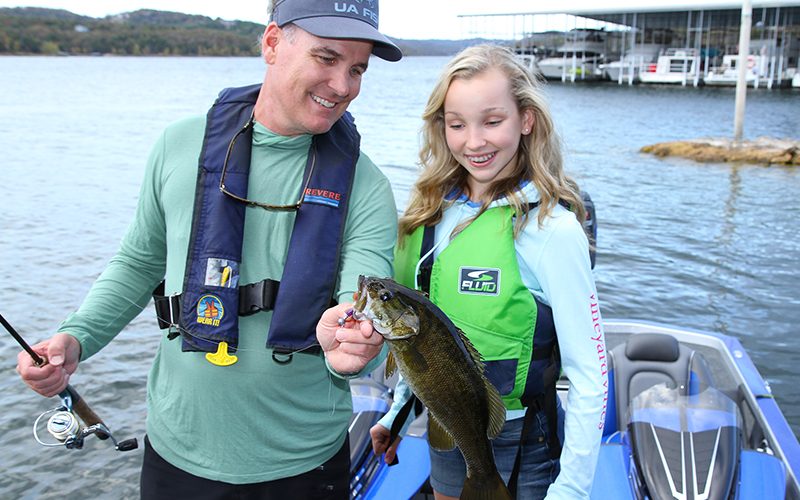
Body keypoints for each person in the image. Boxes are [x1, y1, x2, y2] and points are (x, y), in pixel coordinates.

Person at [15, 0, 402, 498]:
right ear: (271, 43)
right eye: (326, 58)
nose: (344, 86)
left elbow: (363, 303)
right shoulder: (179, 146)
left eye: (357, 69)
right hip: (177, 452)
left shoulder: (367, 186)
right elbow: (138, 262)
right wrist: (76, 338)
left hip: (304, 462)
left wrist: (356, 343)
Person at [369, 45, 607, 499]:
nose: (474, 142)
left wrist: (571, 490)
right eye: (457, 124)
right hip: (447, 429)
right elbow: (423, 348)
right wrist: (397, 415)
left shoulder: (552, 229)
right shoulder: (429, 216)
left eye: (492, 121)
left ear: (527, 120)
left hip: (525, 443)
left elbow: (589, 375)